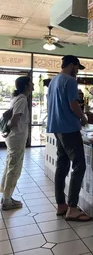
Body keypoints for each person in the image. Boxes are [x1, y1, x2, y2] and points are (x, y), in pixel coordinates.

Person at [47, 55, 91, 222]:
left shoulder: (53, 81)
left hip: (57, 128)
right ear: (71, 65)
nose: (77, 71)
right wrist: (83, 118)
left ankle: (61, 204)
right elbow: (73, 105)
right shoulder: (70, 81)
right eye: (77, 68)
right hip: (69, 128)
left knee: (62, 165)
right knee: (79, 165)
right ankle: (72, 208)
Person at [0, 76, 34, 210]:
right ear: (26, 86)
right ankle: (7, 200)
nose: (33, 86)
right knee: (14, 168)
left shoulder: (16, 98)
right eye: (31, 83)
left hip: (13, 138)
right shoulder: (22, 99)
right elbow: (15, 120)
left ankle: (5, 196)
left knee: (10, 165)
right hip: (17, 137)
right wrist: (8, 126)